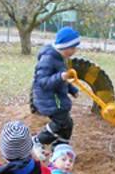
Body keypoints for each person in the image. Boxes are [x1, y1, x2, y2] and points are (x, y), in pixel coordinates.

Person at [31, 27, 80, 159]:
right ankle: (37, 140)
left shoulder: (59, 58)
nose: (75, 51)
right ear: (65, 46)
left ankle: (60, 148)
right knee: (60, 122)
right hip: (48, 99)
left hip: (56, 97)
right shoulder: (48, 59)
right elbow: (42, 81)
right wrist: (61, 77)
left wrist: (72, 89)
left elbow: (62, 79)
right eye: (73, 47)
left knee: (68, 124)